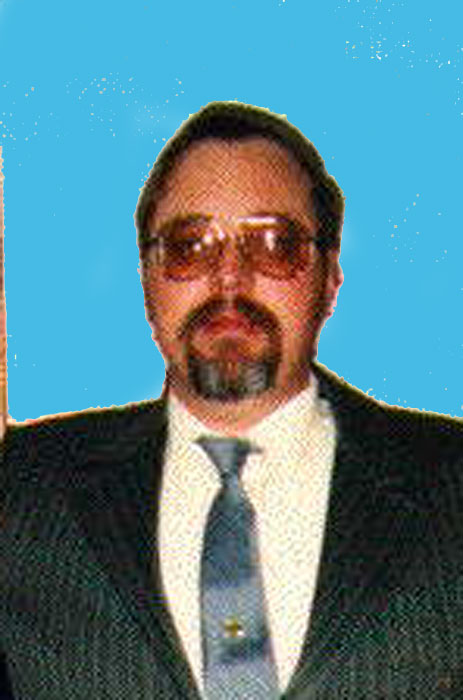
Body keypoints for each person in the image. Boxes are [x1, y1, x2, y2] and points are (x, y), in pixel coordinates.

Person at [1, 102, 463, 699]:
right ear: (146, 277)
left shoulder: (451, 486)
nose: (229, 277)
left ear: (329, 278)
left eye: (273, 243)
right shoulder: (24, 489)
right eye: (189, 246)